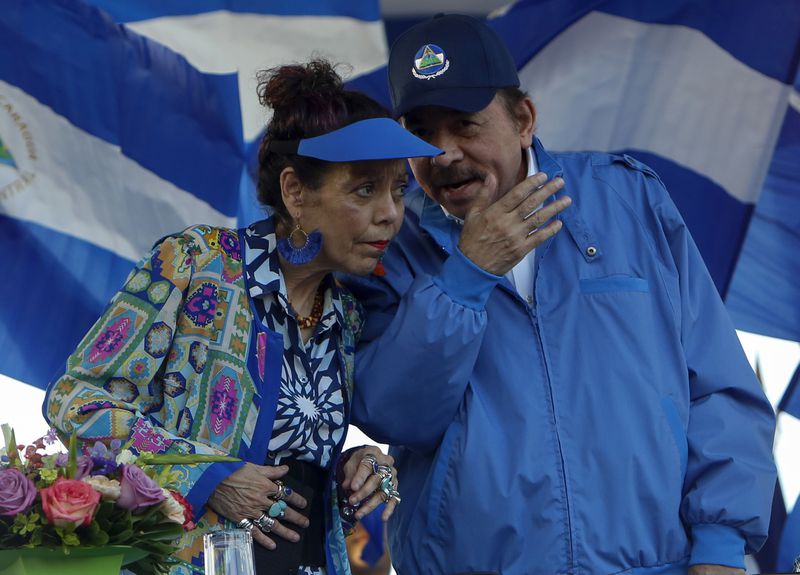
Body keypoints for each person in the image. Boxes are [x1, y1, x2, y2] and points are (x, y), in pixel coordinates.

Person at [343, 14, 777, 575]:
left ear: (523, 119)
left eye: (466, 125)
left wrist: (721, 549)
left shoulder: (629, 200)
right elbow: (397, 416)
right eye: (421, 133)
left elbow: (718, 388)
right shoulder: (392, 246)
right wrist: (467, 274)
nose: (443, 153)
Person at [43, 59, 440, 575]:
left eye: (398, 190)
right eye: (364, 190)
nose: (390, 213)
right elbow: (74, 402)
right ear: (296, 192)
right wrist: (209, 475)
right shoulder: (195, 264)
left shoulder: (346, 316)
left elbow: (293, 483)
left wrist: (354, 471)